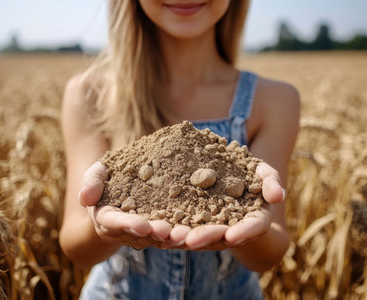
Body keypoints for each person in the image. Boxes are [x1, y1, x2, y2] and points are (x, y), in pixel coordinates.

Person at [59, 0, 300, 299]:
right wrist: (103, 227)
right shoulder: (90, 94)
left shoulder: (274, 100)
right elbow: (75, 247)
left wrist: (250, 229)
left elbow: (271, 252)